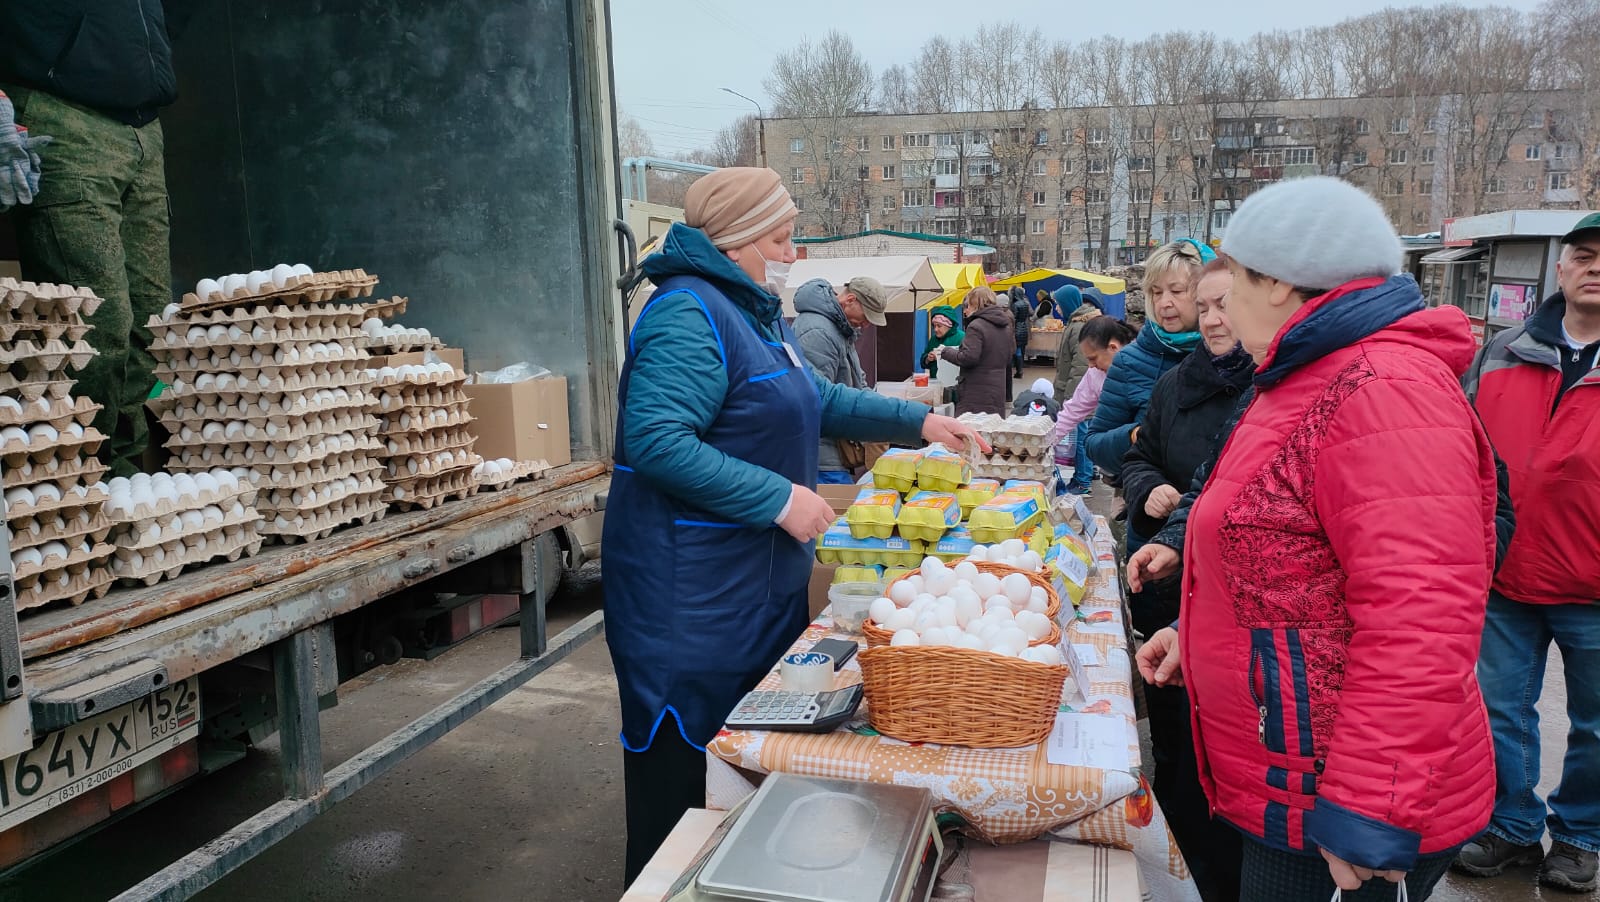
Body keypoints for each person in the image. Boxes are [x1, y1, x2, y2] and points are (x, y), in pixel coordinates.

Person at [603, 167, 987, 883]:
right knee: (685, 794)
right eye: (779, 231)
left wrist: (921, 420)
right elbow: (655, 439)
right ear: (736, 233)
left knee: (750, 773)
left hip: (753, 588)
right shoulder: (688, 312)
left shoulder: (754, 311)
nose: (791, 246)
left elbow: (816, 399)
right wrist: (781, 499)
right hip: (689, 604)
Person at [1134, 177, 1499, 902]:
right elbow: (1285, 559)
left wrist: (1371, 812)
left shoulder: (1378, 389)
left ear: (1276, 282)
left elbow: (1420, 620)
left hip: (1336, 796)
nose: (1221, 301)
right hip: (1292, 772)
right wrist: (1199, 634)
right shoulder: (1303, 380)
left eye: (1231, 277)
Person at [1453, 213, 1600, 893]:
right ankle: (1511, 828)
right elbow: (1463, 452)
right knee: (1499, 709)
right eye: (1585, 254)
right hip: (1506, 574)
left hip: (1594, 587)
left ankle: (1579, 837)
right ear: (1562, 267)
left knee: (1595, 726)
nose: (1595, 266)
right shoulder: (1506, 350)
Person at [1, 1, 198, 476]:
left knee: (152, 327)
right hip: (63, 115)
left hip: (143, 126)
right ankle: (82, 496)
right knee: (94, 328)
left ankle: (124, 482)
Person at [1115, 260, 1251, 902]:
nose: (1213, 318)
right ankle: (1178, 863)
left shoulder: (1272, 390)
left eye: (1226, 304)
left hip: (1237, 598)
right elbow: (1137, 457)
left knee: (1229, 751)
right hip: (1174, 591)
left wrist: (1178, 531)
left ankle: (1216, 869)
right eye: (1207, 307)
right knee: (1174, 739)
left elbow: (1224, 491)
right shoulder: (1175, 383)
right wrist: (1149, 493)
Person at [1084, 241, 1207, 483]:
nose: (1164, 303)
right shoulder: (1130, 362)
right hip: (1150, 506)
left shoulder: (1235, 356)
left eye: (1177, 290)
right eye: (1156, 292)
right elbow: (1095, 445)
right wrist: (1135, 435)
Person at [792, 275, 890, 484]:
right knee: (840, 511)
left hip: (830, 448)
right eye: (866, 317)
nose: (865, 325)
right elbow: (816, 399)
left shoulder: (839, 328)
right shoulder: (819, 332)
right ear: (850, 300)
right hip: (821, 454)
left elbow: (857, 379)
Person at [1051, 316, 1135, 494]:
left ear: (1113, 348)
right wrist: (1045, 442)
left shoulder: (1142, 364)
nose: (1090, 365)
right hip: (1120, 460)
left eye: (1093, 358)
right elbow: (1074, 409)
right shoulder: (1095, 374)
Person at [941, 286, 1014, 416]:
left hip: (975, 393)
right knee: (990, 432)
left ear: (975, 304)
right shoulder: (1005, 326)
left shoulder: (976, 326)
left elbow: (968, 358)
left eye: (967, 305)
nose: (965, 311)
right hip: (997, 391)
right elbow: (1008, 356)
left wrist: (945, 352)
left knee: (969, 432)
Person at [1050, 284, 1106, 401]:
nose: (1056, 308)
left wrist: (1071, 398)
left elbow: (1080, 367)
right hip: (1066, 389)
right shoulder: (1074, 324)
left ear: (1066, 304)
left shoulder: (1079, 328)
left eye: (1058, 304)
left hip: (1072, 395)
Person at [921, 306, 964, 380]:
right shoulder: (933, 339)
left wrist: (941, 356)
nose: (935, 329)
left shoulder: (962, 337)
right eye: (934, 326)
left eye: (939, 326)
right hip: (936, 383)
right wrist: (927, 359)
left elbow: (966, 360)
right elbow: (924, 360)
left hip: (955, 384)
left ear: (949, 325)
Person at [1009, 285, 1033, 379]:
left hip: (1017, 329)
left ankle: (1019, 371)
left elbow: (1013, 318)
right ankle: (1020, 369)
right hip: (1024, 328)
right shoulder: (1025, 304)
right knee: (1021, 349)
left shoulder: (1015, 305)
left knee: (1017, 351)